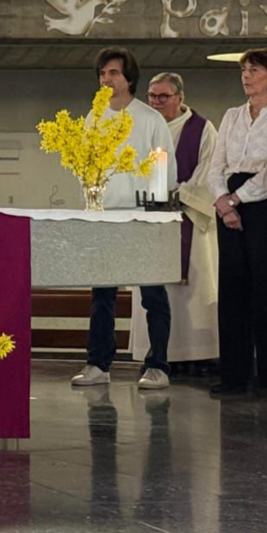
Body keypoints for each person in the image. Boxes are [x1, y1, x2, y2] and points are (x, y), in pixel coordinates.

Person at [71, 47, 175, 390]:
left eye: (113, 73)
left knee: (152, 294)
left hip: (141, 215)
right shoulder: (94, 117)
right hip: (105, 214)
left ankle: (157, 364)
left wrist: (156, 207)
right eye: (102, 73)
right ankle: (98, 363)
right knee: (102, 295)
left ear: (129, 77)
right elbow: (85, 163)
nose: (106, 79)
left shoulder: (149, 118)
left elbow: (164, 167)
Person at [206, 49, 267, 395]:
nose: (246, 76)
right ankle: (235, 373)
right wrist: (222, 200)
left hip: (265, 203)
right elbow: (216, 164)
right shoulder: (231, 116)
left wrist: (237, 198)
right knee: (233, 287)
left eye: (254, 70)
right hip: (229, 201)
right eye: (244, 70)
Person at [130, 73, 219, 372]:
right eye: (151, 96)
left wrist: (176, 196)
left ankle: (194, 358)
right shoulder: (139, 127)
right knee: (152, 291)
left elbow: (210, 171)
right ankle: (155, 355)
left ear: (180, 98)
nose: (155, 102)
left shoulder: (203, 129)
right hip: (147, 220)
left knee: (190, 293)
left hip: (188, 219)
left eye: (162, 96)